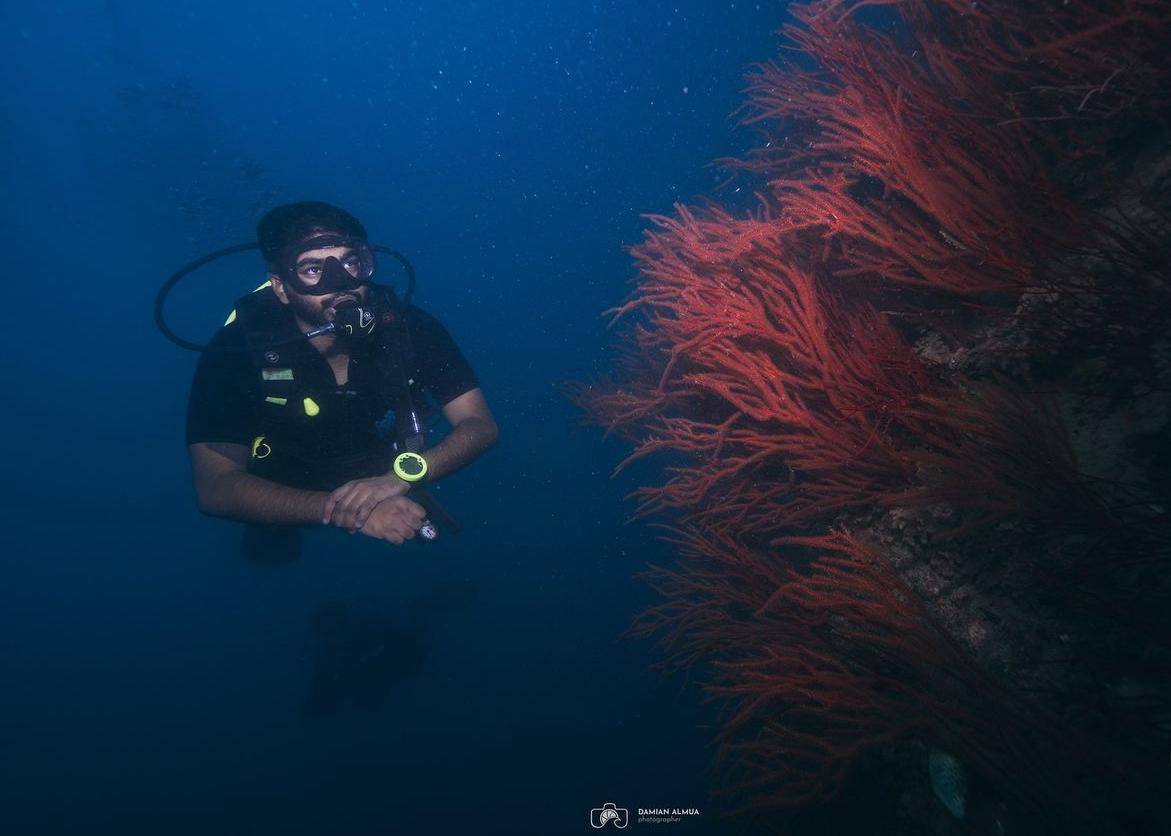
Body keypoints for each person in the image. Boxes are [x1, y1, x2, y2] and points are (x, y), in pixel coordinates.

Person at [185, 201, 497, 561]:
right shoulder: (237, 351)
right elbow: (214, 487)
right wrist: (347, 511)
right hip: (283, 476)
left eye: (351, 262)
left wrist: (405, 476)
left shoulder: (407, 327)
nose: (341, 283)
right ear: (281, 287)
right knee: (270, 551)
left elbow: (480, 425)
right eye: (313, 268)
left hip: (380, 462)